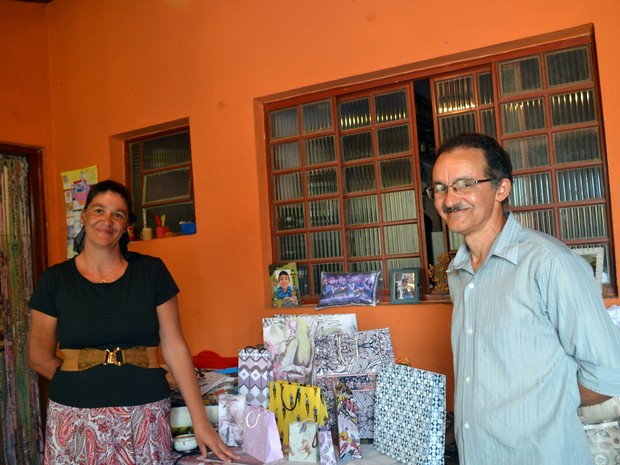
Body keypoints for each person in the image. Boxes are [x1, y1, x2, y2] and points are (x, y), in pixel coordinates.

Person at [427, 133, 620, 465]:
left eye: (464, 184)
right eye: (440, 188)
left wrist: (540, 408)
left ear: (501, 189)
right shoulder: (458, 273)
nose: (449, 199)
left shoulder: (548, 262)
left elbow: (608, 374)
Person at [28, 180, 239, 465]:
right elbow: (39, 357)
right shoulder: (54, 280)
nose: (107, 221)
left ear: (127, 223)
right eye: (99, 210)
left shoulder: (151, 272)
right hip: (74, 415)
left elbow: (175, 347)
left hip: (145, 413)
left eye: (118, 214)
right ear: (84, 216)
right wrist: (87, 378)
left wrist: (199, 420)